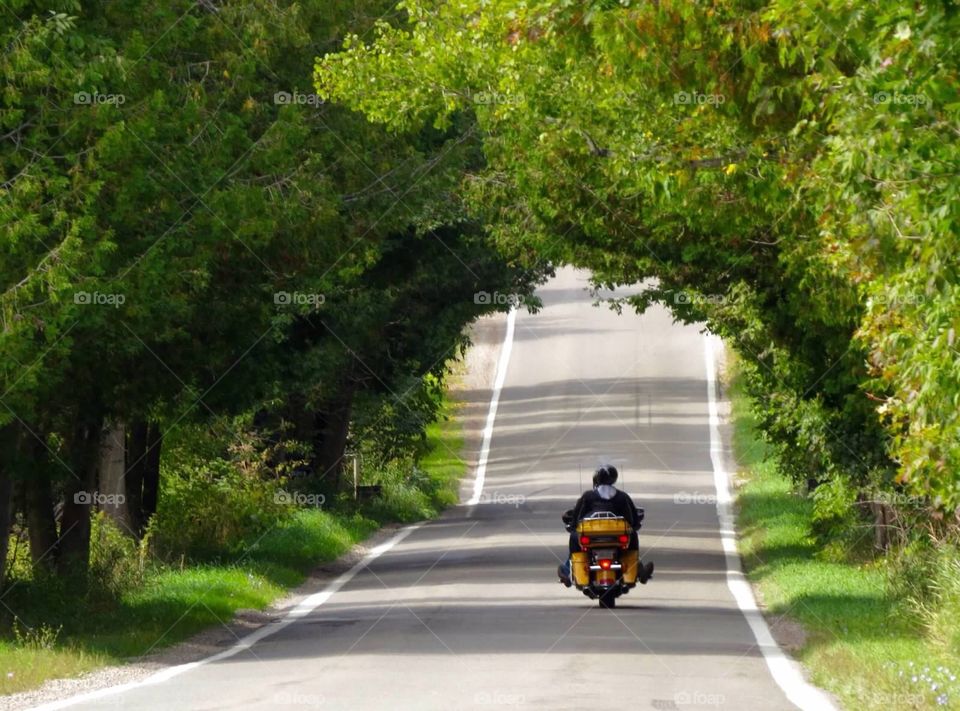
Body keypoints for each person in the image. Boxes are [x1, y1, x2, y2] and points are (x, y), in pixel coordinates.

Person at [557, 465, 654, 587]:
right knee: (632, 535)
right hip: (618, 537)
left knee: (574, 537)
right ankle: (639, 570)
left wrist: (573, 528)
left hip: (590, 537)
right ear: (614, 478)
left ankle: (567, 570)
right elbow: (632, 519)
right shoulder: (622, 496)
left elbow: (577, 519)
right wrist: (633, 526)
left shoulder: (588, 496)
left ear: (596, 479)